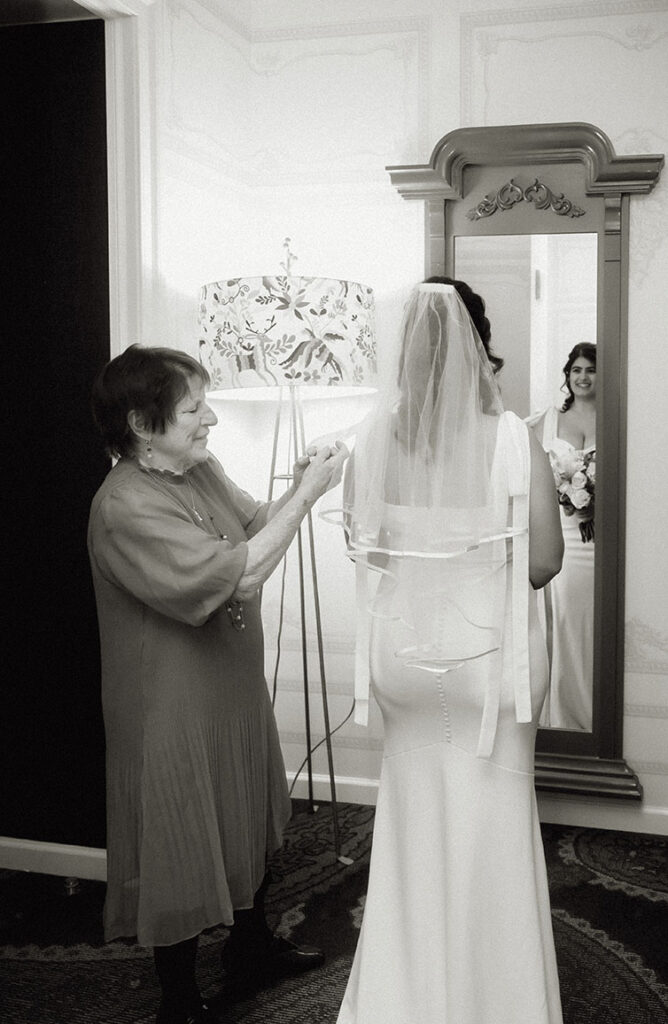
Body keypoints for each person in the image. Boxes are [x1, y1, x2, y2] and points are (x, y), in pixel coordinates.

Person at [87, 345, 348, 1024]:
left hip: (227, 686)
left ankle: (250, 949)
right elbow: (240, 573)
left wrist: (299, 482)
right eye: (195, 406)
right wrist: (312, 496)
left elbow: (255, 527)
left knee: (244, 810)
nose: (210, 420)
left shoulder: (199, 469)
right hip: (167, 706)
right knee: (175, 837)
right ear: (144, 423)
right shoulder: (124, 507)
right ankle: (178, 999)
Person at [333, 278, 564, 1024]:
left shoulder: (373, 438)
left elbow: (360, 548)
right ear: (479, 344)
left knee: (412, 827)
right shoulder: (509, 439)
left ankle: (404, 996)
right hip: (486, 665)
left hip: (402, 661)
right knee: (491, 825)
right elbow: (542, 564)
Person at [528, 343, 596, 730]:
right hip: (563, 539)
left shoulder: (614, 419)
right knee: (565, 621)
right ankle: (565, 715)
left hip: (600, 543)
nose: (583, 377)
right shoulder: (546, 421)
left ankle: (592, 713)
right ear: (568, 377)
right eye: (577, 370)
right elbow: (517, 454)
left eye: (591, 370)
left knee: (592, 626)